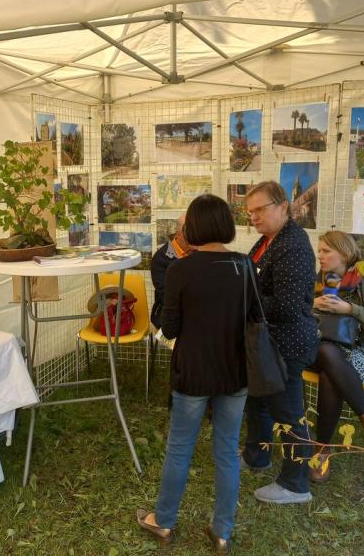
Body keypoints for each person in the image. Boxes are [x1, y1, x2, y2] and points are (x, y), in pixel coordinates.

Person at [136, 194, 258, 553]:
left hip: (192, 373)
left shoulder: (181, 269)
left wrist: (163, 308)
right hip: (235, 373)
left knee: (179, 449)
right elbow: (254, 318)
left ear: (193, 227)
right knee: (226, 451)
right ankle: (222, 531)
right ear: (225, 224)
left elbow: (169, 328)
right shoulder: (244, 266)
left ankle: (164, 521)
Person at [240, 181, 318, 504]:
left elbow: (285, 305)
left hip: (287, 344)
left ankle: (295, 484)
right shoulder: (268, 241)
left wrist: (243, 301)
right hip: (268, 342)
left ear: (283, 206)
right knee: (259, 401)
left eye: (261, 209)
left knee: (288, 412)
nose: (254, 217)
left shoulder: (293, 245)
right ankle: (257, 456)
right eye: (250, 212)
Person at [308, 230, 364, 483]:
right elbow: (295, 313)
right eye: (319, 250)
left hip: (360, 352)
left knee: (330, 372)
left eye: (326, 251)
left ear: (344, 254)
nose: (320, 256)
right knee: (327, 353)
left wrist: (352, 309)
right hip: (317, 348)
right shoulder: (314, 281)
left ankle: (322, 451)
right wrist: (312, 304)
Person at [149, 214, 190, 329]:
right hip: (171, 314)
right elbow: (166, 296)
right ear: (178, 234)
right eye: (189, 234)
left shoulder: (199, 251)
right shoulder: (160, 259)